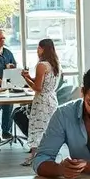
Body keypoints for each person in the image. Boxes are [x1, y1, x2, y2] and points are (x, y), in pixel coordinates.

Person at [21, 39, 62, 167]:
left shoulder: (41, 65)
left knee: (37, 129)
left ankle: (34, 157)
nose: (37, 51)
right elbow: (42, 81)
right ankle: (49, 155)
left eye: (38, 48)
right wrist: (29, 77)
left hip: (41, 101)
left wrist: (26, 79)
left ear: (43, 49)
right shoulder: (55, 64)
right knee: (48, 129)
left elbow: (38, 87)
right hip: (52, 99)